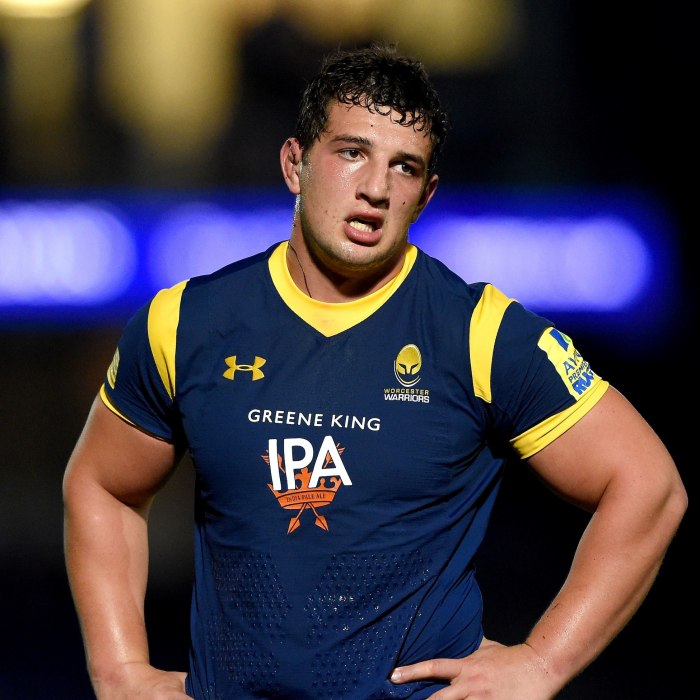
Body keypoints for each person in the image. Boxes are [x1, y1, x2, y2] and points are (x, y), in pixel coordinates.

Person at [63, 42, 687, 700]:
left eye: (404, 167)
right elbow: (103, 486)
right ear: (295, 164)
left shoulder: (478, 333)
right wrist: (119, 672)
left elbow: (647, 486)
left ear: (425, 196)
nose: (376, 188)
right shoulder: (185, 323)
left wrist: (543, 662)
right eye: (352, 152)